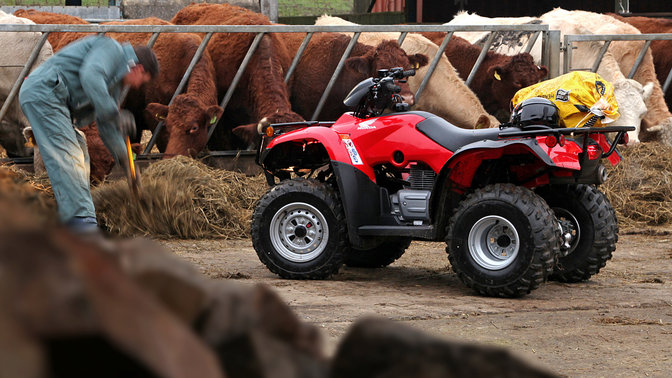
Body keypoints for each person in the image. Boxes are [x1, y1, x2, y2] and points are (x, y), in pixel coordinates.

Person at [19, 35, 159, 234]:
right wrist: (115, 113)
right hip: (45, 93)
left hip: (56, 101)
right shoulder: (112, 49)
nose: (136, 86)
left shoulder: (116, 85)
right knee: (70, 157)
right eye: (141, 81)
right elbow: (90, 75)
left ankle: (72, 220)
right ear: (138, 68)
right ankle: (82, 227)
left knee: (80, 153)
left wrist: (127, 162)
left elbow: (107, 125)